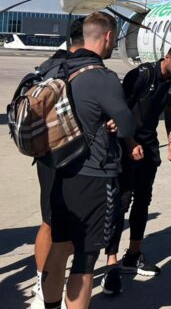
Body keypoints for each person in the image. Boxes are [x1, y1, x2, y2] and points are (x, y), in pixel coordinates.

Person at [42, 12, 139, 309]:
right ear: (108, 37)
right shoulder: (102, 77)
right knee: (85, 259)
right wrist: (111, 121)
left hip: (60, 172)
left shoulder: (56, 69)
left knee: (58, 249)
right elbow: (127, 126)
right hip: (94, 176)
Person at [101, 43, 171, 295]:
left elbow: (170, 109)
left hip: (149, 146)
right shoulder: (141, 76)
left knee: (143, 201)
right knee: (121, 202)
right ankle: (111, 263)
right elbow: (118, 112)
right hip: (125, 144)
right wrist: (130, 142)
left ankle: (133, 255)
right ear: (167, 58)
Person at [32, 17, 84, 305]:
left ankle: (44, 281)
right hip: (63, 154)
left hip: (46, 154)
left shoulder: (48, 65)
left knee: (51, 222)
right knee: (54, 225)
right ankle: (45, 285)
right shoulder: (69, 68)